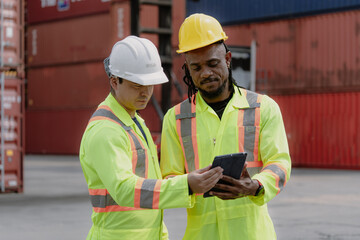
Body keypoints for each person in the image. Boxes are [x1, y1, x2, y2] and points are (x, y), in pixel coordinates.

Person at [160, 13, 292, 240]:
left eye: (213, 63)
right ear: (188, 69)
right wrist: (189, 184)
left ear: (228, 59)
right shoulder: (175, 118)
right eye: (196, 67)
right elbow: (168, 178)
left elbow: (280, 164)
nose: (206, 73)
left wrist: (255, 185)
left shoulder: (263, 108)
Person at [79, 35, 223, 240]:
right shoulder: (106, 130)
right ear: (114, 81)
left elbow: (148, 184)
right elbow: (124, 190)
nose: (146, 92)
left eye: (150, 84)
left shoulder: (133, 122)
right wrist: (186, 185)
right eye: (137, 85)